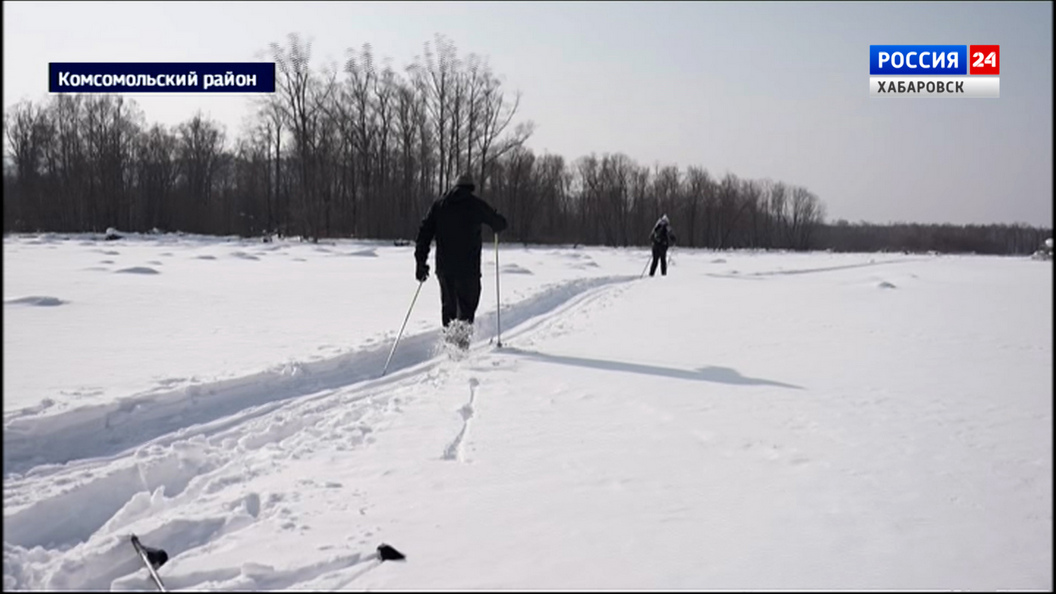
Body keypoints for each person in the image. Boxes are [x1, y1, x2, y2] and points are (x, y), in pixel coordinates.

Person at [415, 173, 508, 347]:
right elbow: (500, 223)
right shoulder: (475, 205)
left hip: (444, 269)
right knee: (466, 308)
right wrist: (497, 217)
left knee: (449, 307)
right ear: (470, 188)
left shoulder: (440, 205)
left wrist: (421, 262)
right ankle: (460, 349)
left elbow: (424, 232)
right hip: (468, 270)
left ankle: (450, 346)